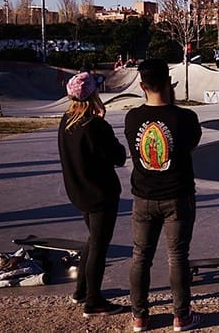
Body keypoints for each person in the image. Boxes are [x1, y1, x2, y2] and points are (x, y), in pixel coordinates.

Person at [124, 59, 203, 332]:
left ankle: (139, 316)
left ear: (141, 85)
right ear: (170, 83)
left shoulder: (131, 118)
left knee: (140, 257)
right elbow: (189, 147)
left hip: (143, 198)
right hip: (177, 196)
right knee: (178, 256)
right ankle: (181, 317)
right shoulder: (186, 118)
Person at [57, 72, 126, 318]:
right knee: (99, 245)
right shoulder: (95, 125)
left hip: (78, 192)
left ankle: (81, 291)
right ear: (92, 95)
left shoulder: (66, 121)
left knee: (93, 239)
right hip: (101, 195)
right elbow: (118, 156)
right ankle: (93, 301)